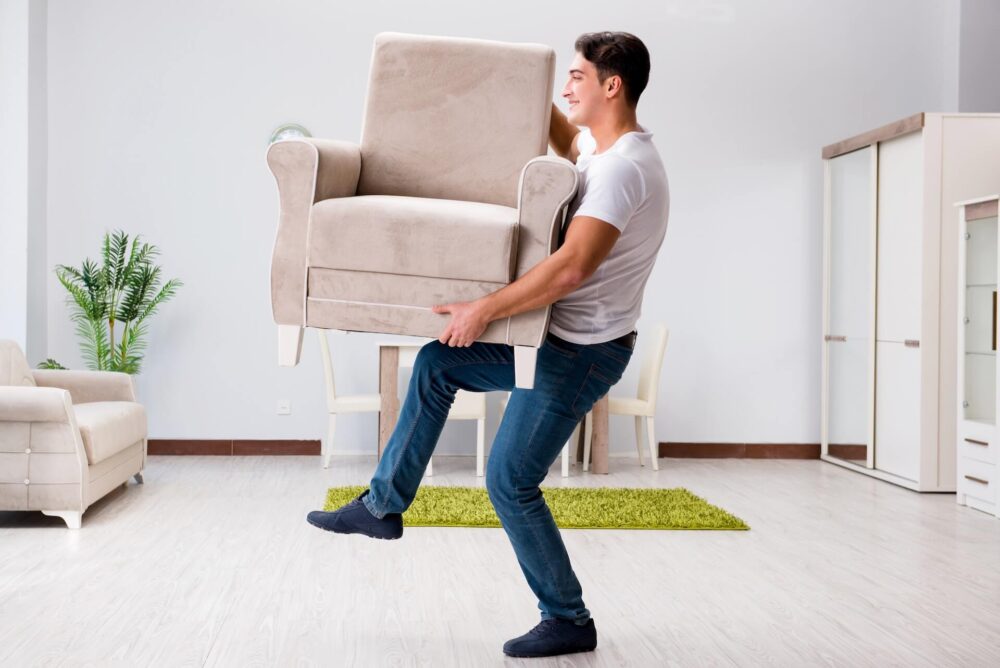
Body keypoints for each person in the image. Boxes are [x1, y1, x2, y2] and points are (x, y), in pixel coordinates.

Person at [307, 31, 670, 659]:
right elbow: (566, 135)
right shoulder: (605, 152)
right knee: (438, 364)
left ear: (613, 86)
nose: (568, 86)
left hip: (583, 351)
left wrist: (483, 312)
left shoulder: (621, 172)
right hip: (556, 337)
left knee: (509, 479)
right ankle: (383, 506)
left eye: (578, 76)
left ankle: (567, 618)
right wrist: (506, 79)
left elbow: (570, 270)